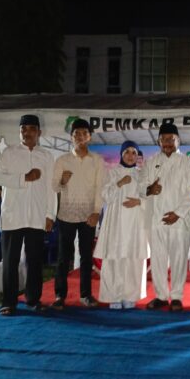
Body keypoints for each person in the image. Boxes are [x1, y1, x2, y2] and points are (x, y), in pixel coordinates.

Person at [0, 114, 57, 316]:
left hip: (37, 216)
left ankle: (33, 299)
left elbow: (51, 188)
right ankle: (8, 302)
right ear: (19, 132)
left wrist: (50, 215)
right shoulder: (8, 152)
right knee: (10, 261)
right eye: (23, 129)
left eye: (31, 129)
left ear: (39, 132)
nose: (27, 133)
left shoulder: (46, 156)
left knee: (35, 261)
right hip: (13, 216)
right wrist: (23, 178)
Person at [139, 123, 190, 312]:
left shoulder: (186, 162)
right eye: (163, 139)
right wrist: (149, 189)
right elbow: (140, 186)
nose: (167, 143)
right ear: (158, 141)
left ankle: (177, 297)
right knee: (158, 260)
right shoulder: (151, 162)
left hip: (180, 220)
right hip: (156, 219)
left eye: (171, 139)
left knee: (179, 260)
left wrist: (177, 213)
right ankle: (161, 296)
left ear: (178, 140)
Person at [50, 118, 105, 310]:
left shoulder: (97, 161)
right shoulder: (62, 160)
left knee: (86, 257)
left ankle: (86, 295)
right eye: (76, 134)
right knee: (63, 257)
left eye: (84, 134)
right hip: (66, 214)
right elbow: (53, 186)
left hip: (88, 215)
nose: (80, 137)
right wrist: (62, 181)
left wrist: (96, 212)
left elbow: (100, 188)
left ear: (90, 137)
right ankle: (59, 295)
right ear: (71, 137)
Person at [95, 141, 149, 309]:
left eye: (134, 152)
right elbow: (105, 196)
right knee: (115, 258)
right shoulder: (113, 173)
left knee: (133, 260)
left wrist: (138, 202)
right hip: (116, 223)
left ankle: (130, 295)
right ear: (121, 154)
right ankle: (114, 296)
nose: (130, 156)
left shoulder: (142, 175)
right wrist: (119, 183)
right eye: (127, 152)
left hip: (135, 224)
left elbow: (151, 199)